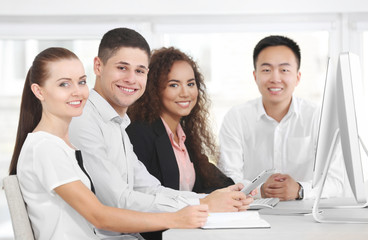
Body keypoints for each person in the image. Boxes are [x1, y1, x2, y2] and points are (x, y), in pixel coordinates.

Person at [8, 47, 210, 240]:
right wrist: (175, 218)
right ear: (39, 91)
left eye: (82, 81)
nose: (78, 91)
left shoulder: (63, 146)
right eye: (64, 84)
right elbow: (100, 217)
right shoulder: (45, 147)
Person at [69, 28, 252, 239]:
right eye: (122, 68)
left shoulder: (118, 123)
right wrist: (202, 203)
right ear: (98, 66)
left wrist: (206, 200)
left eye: (139, 71)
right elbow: (118, 200)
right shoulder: (83, 120)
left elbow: (149, 188)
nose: (131, 79)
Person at [218, 35, 344, 201]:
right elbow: (228, 178)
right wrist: (260, 189)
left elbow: (336, 181)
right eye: (266, 70)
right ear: (255, 76)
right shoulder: (236, 118)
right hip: (250, 213)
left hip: (306, 215)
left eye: (284, 70)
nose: (275, 78)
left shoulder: (318, 117)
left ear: (298, 77)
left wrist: (300, 189)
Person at [126, 47, 234, 195]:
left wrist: (250, 190)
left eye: (190, 84)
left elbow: (216, 182)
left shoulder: (185, 136)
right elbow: (145, 195)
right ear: (154, 90)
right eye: (174, 85)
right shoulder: (139, 133)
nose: (185, 93)